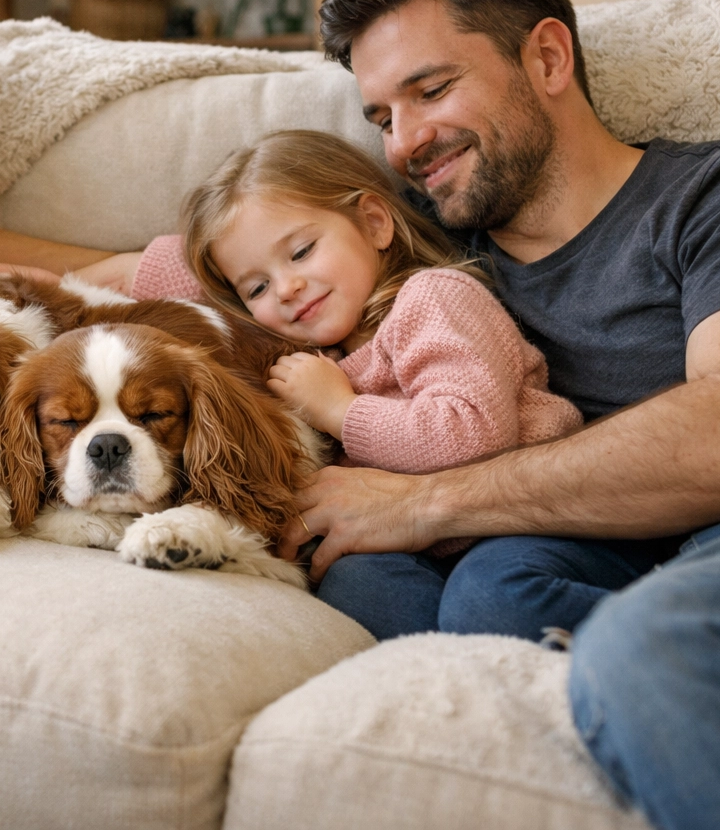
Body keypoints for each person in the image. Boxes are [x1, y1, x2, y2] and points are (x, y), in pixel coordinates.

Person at [0, 0, 720, 829]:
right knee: (382, 580)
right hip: (566, 551)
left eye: (431, 89)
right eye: (382, 117)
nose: (407, 140)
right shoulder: (413, 245)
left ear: (545, 56)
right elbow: (195, 266)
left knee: (650, 648)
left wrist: (421, 504)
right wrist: (10, 269)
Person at [178, 128, 584, 640]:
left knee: (492, 592)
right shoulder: (312, 356)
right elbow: (191, 297)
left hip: (526, 522)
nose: (286, 288)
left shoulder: (433, 298)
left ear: (373, 223)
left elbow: (472, 433)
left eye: (301, 251)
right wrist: (90, 276)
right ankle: (452, 669)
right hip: (419, 546)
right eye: (256, 286)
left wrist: (341, 412)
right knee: (350, 580)